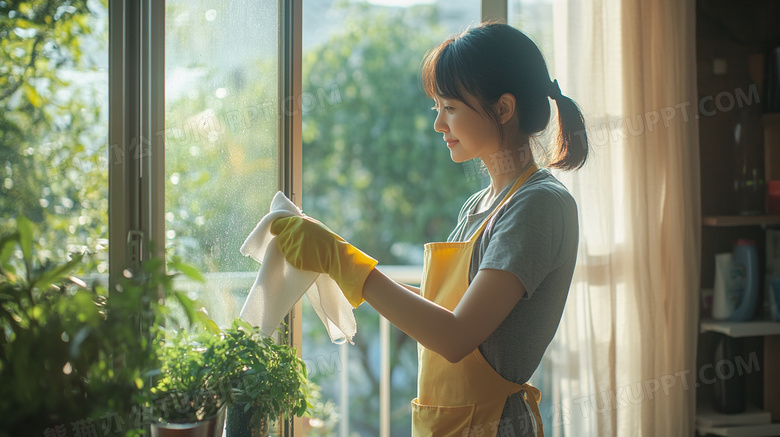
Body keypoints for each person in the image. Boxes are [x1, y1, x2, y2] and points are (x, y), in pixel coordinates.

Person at [271, 22, 588, 437]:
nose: (439, 124)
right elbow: (448, 310)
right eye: (435, 107)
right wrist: (337, 261)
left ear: (504, 109)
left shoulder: (539, 205)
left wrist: (343, 261)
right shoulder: (479, 206)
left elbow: (456, 337)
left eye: (451, 107)